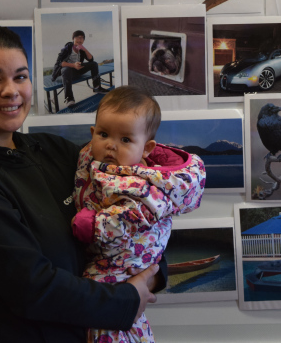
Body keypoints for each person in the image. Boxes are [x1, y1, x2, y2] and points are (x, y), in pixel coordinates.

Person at [0, 21, 161, 342]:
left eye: (20, 76)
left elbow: (135, 188)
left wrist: (150, 271)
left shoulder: (51, 150)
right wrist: (127, 299)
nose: (11, 90)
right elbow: (32, 289)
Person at [72, 86, 205, 342]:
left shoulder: (139, 181)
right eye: (103, 134)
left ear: (147, 148)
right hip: (107, 262)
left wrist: (94, 225)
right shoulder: (97, 163)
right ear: (92, 134)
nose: (111, 145)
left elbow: (135, 215)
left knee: (110, 324)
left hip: (124, 261)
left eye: (125, 140)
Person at [50, 30, 109, 108]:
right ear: (73, 39)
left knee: (94, 64)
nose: (80, 39)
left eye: (82, 38)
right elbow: (60, 63)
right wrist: (73, 65)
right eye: (78, 37)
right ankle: (69, 98)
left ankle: (97, 87)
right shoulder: (67, 48)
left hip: (78, 69)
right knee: (65, 69)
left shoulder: (81, 49)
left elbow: (91, 59)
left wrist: (85, 49)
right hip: (68, 71)